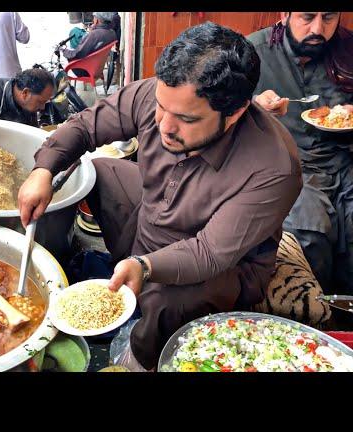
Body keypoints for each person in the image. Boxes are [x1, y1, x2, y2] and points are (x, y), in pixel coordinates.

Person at [18, 22, 303, 370]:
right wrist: (42, 171)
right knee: (101, 172)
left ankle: (142, 356)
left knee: (175, 296)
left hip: (221, 265)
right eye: (160, 107)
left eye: (184, 119)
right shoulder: (165, 95)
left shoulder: (273, 168)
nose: (163, 126)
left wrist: (146, 266)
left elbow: (209, 253)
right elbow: (85, 126)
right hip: (154, 222)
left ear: (235, 113)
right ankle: (129, 274)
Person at [248, 12, 353, 294]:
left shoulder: (348, 50)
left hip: (344, 164)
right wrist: (252, 107)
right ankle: (317, 315)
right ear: (285, 14)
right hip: (288, 166)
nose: (318, 28)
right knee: (309, 231)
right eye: (307, 17)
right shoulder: (252, 55)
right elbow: (217, 114)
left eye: (329, 18)